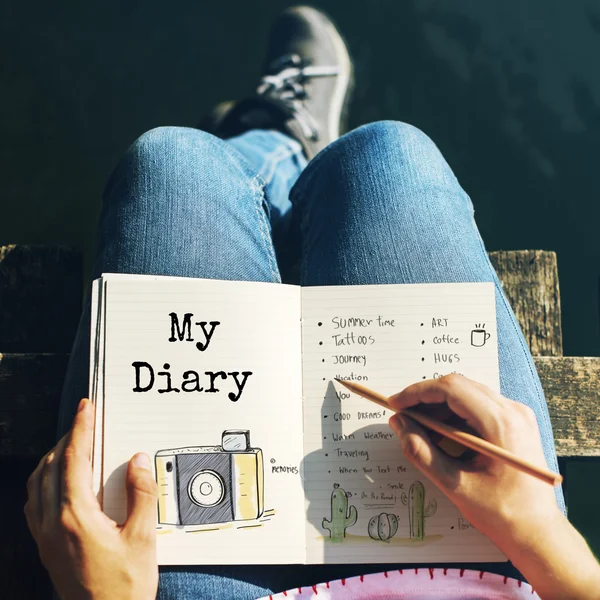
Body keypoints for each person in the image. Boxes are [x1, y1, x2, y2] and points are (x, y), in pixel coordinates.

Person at [24, 6, 600, 599]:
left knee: (172, 163)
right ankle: (284, 153)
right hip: (480, 572)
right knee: (387, 155)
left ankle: (266, 148)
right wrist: (544, 534)